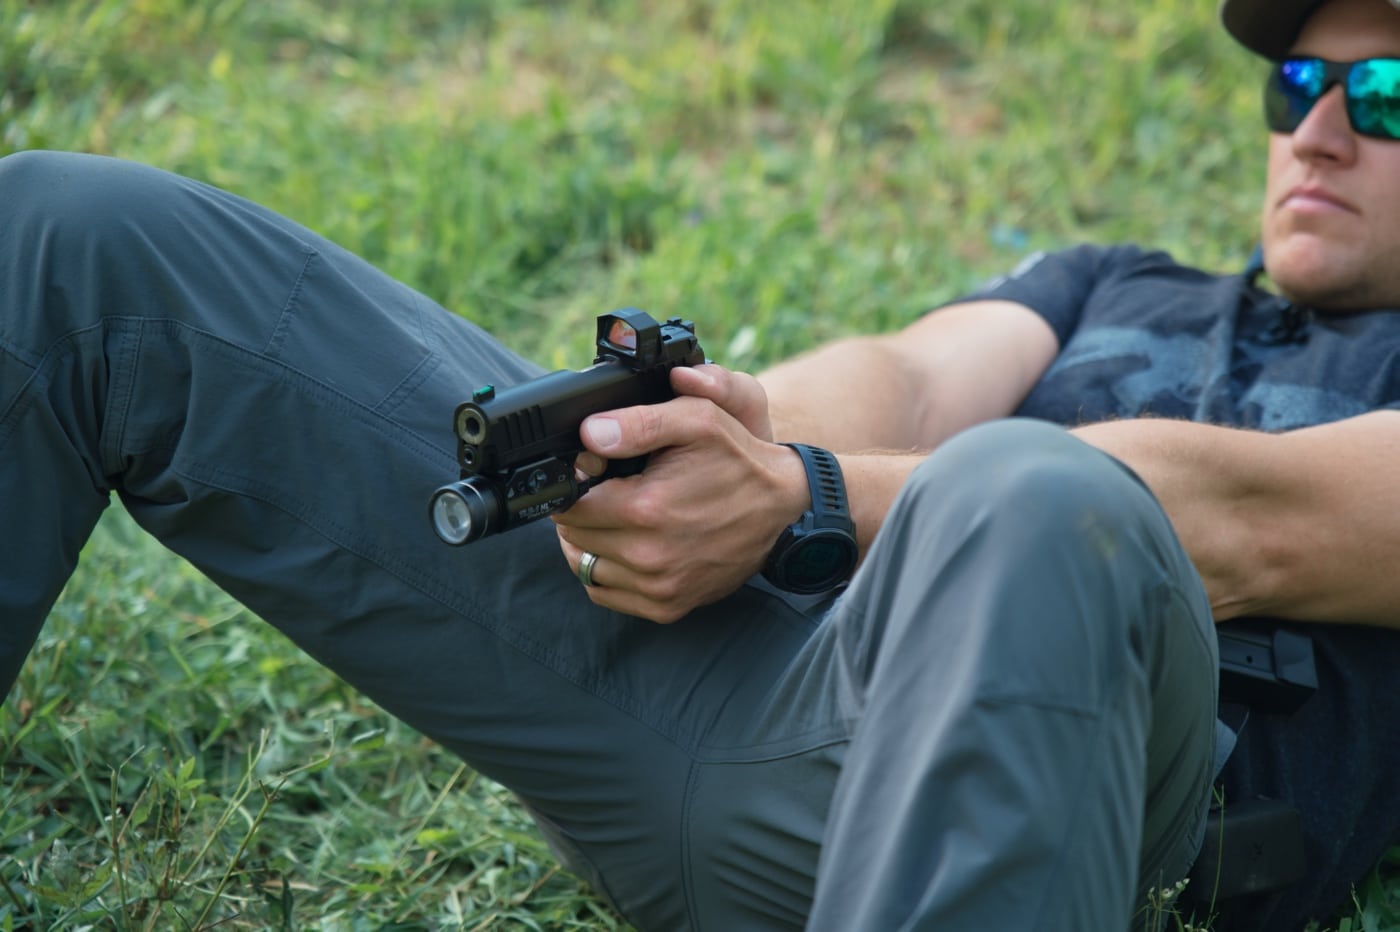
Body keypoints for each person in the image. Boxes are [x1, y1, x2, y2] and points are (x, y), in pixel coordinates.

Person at [4, 0, 1400, 927]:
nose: (1318, 130)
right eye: (1297, 83)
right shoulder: (1115, 282)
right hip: (729, 672)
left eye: (1384, 93)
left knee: (1034, 493)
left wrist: (808, 495)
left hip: (1081, 799)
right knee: (78, 234)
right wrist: (704, 452)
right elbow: (906, 375)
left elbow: (1249, 521)